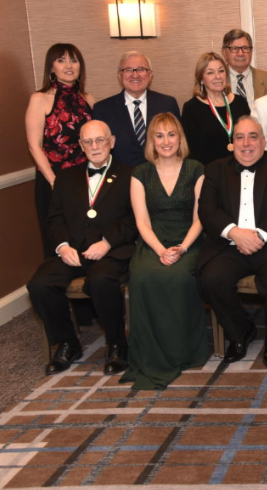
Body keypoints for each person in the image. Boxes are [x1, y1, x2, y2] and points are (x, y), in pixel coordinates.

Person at [26, 120, 136, 376]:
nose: (95, 146)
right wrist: (63, 247)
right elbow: (54, 218)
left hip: (111, 250)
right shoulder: (66, 177)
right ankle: (67, 343)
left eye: (100, 140)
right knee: (39, 284)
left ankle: (117, 345)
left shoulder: (131, 174)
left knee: (101, 280)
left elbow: (135, 218)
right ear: (81, 145)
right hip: (72, 251)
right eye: (88, 141)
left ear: (112, 142)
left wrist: (107, 242)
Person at [198, 116, 267, 368]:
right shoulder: (215, 169)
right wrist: (234, 233)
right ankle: (241, 331)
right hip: (230, 245)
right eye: (240, 137)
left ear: (264, 141)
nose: (246, 144)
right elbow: (207, 209)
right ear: (232, 143)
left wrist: (259, 235)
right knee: (211, 278)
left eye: (252, 137)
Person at [120, 113, 208, 390]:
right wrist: (160, 250)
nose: (166, 141)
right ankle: (151, 352)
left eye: (171, 134)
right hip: (152, 242)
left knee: (179, 277)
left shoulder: (196, 169)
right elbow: (141, 222)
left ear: (180, 138)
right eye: (159, 135)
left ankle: (182, 351)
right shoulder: (140, 173)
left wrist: (182, 248)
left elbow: (200, 217)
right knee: (142, 276)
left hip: (189, 240)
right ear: (152, 141)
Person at [25, 43, 94, 257]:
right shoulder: (40, 98)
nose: (69, 66)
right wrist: (55, 182)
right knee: (59, 240)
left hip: (85, 179)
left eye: (74, 60)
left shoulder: (88, 99)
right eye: (61, 60)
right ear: (51, 67)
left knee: (87, 235)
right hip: (53, 178)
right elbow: (34, 146)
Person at [92, 51, 181, 167]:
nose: (135, 75)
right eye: (128, 70)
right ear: (119, 76)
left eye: (141, 69)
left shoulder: (167, 104)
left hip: (162, 173)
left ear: (150, 75)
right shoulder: (102, 109)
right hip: (121, 175)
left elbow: (179, 144)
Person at [181, 52, 251, 166]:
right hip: (209, 172)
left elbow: (250, 138)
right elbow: (189, 151)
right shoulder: (192, 108)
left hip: (241, 168)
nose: (218, 76)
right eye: (210, 72)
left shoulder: (240, 102)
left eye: (221, 71)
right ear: (201, 79)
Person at [221, 28, 267, 108]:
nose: (240, 53)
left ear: (251, 51)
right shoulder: (216, 81)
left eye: (245, 48)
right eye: (235, 48)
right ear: (224, 52)